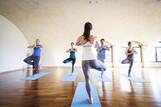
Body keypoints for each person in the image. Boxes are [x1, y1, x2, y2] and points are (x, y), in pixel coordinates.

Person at [76, 22, 106, 104]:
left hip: (84, 61)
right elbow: (99, 47)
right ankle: (96, 67)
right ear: (91, 28)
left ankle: (90, 98)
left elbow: (76, 43)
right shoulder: (94, 37)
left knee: (87, 80)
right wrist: (94, 46)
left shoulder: (80, 37)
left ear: (84, 28)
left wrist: (82, 43)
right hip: (93, 59)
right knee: (104, 68)